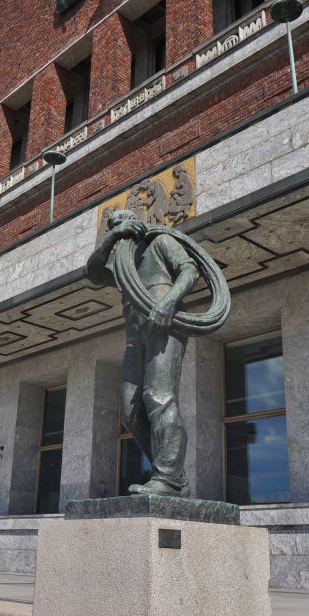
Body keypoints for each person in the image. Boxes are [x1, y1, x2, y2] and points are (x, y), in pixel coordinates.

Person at [85, 209, 199, 497]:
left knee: (159, 397)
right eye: (113, 226)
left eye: (121, 223)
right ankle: (175, 476)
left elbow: (190, 270)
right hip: (135, 333)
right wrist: (110, 239)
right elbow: (94, 273)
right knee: (130, 409)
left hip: (163, 320)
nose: (119, 227)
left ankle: (167, 478)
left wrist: (170, 301)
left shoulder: (159, 242)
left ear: (135, 222)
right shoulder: (123, 264)